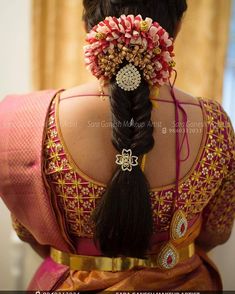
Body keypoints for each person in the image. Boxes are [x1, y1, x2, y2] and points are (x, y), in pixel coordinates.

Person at [0, 0, 235, 291]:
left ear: (88, 27)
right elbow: (217, 231)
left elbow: (27, 228)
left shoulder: (25, 122)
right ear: (176, 28)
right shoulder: (215, 125)